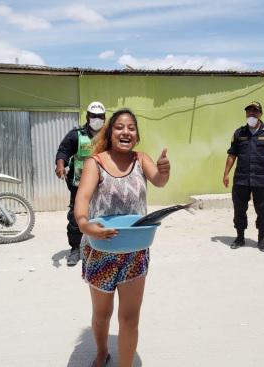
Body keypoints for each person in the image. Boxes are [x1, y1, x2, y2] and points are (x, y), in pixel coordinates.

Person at [74, 108, 170, 367]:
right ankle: (102, 351)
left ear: (136, 136)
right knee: (102, 314)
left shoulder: (142, 159)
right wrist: (85, 225)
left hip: (135, 252)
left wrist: (163, 170)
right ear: (110, 132)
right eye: (119, 127)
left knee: (129, 318)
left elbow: (159, 181)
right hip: (100, 249)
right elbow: (82, 199)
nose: (125, 132)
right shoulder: (96, 162)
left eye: (130, 128)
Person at [223, 101, 264, 252]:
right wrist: (226, 174)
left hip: (260, 179)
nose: (252, 114)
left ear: (260, 114)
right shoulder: (239, 133)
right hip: (241, 179)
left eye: (255, 112)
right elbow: (232, 154)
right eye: (249, 112)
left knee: (261, 210)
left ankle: (261, 239)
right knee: (239, 210)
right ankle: (240, 237)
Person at [55, 101, 106, 266]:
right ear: (87, 117)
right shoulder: (76, 134)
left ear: (105, 118)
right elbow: (63, 151)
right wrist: (60, 165)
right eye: (94, 116)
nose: (97, 119)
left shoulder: (109, 135)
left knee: (103, 216)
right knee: (77, 217)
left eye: (100, 116)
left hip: (103, 185)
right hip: (79, 185)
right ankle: (75, 249)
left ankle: (101, 247)